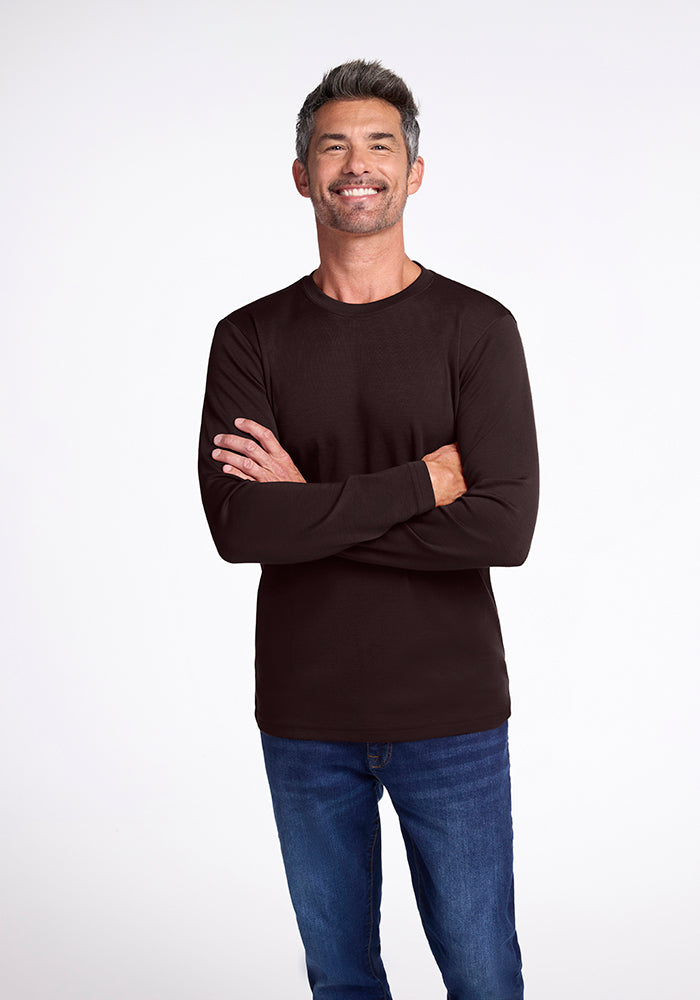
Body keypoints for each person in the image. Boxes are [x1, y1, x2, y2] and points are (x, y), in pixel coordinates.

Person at [198, 58, 539, 1000]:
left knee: (482, 972)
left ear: (414, 173)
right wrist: (419, 484)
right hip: (306, 717)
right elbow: (238, 524)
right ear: (302, 174)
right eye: (333, 145)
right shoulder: (249, 339)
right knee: (340, 978)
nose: (358, 164)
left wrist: (308, 505)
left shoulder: (477, 330)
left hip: (453, 716)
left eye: (381, 144)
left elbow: (503, 529)